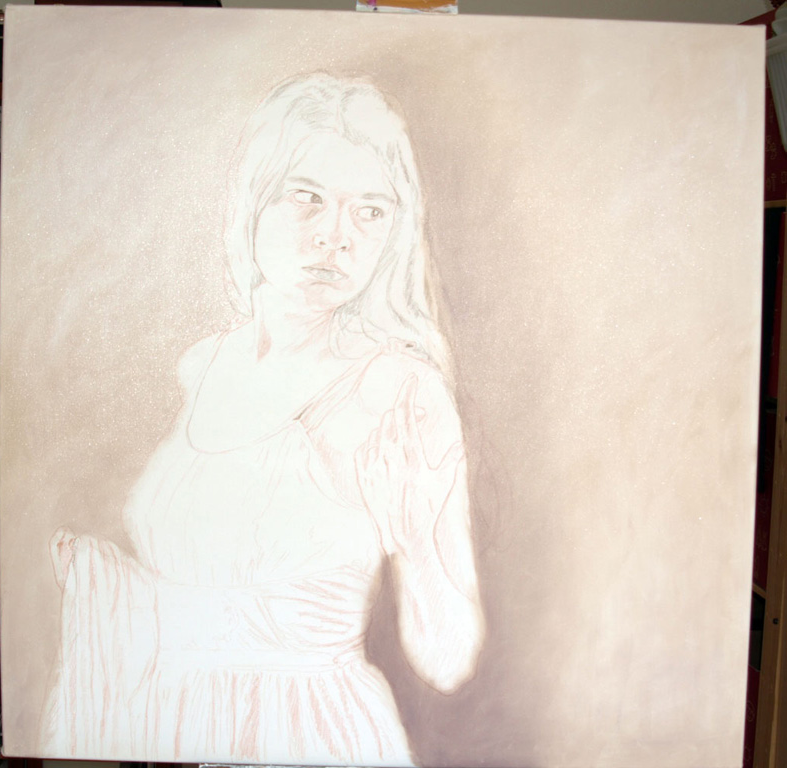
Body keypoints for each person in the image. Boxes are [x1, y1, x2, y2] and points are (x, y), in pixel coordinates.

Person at [42, 73, 485, 767]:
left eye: (370, 211)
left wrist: (418, 539)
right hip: (171, 725)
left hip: (312, 733)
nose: (337, 238)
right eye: (307, 197)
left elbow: (448, 656)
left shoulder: (401, 392)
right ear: (254, 200)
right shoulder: (200, 366)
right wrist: (106, 586)